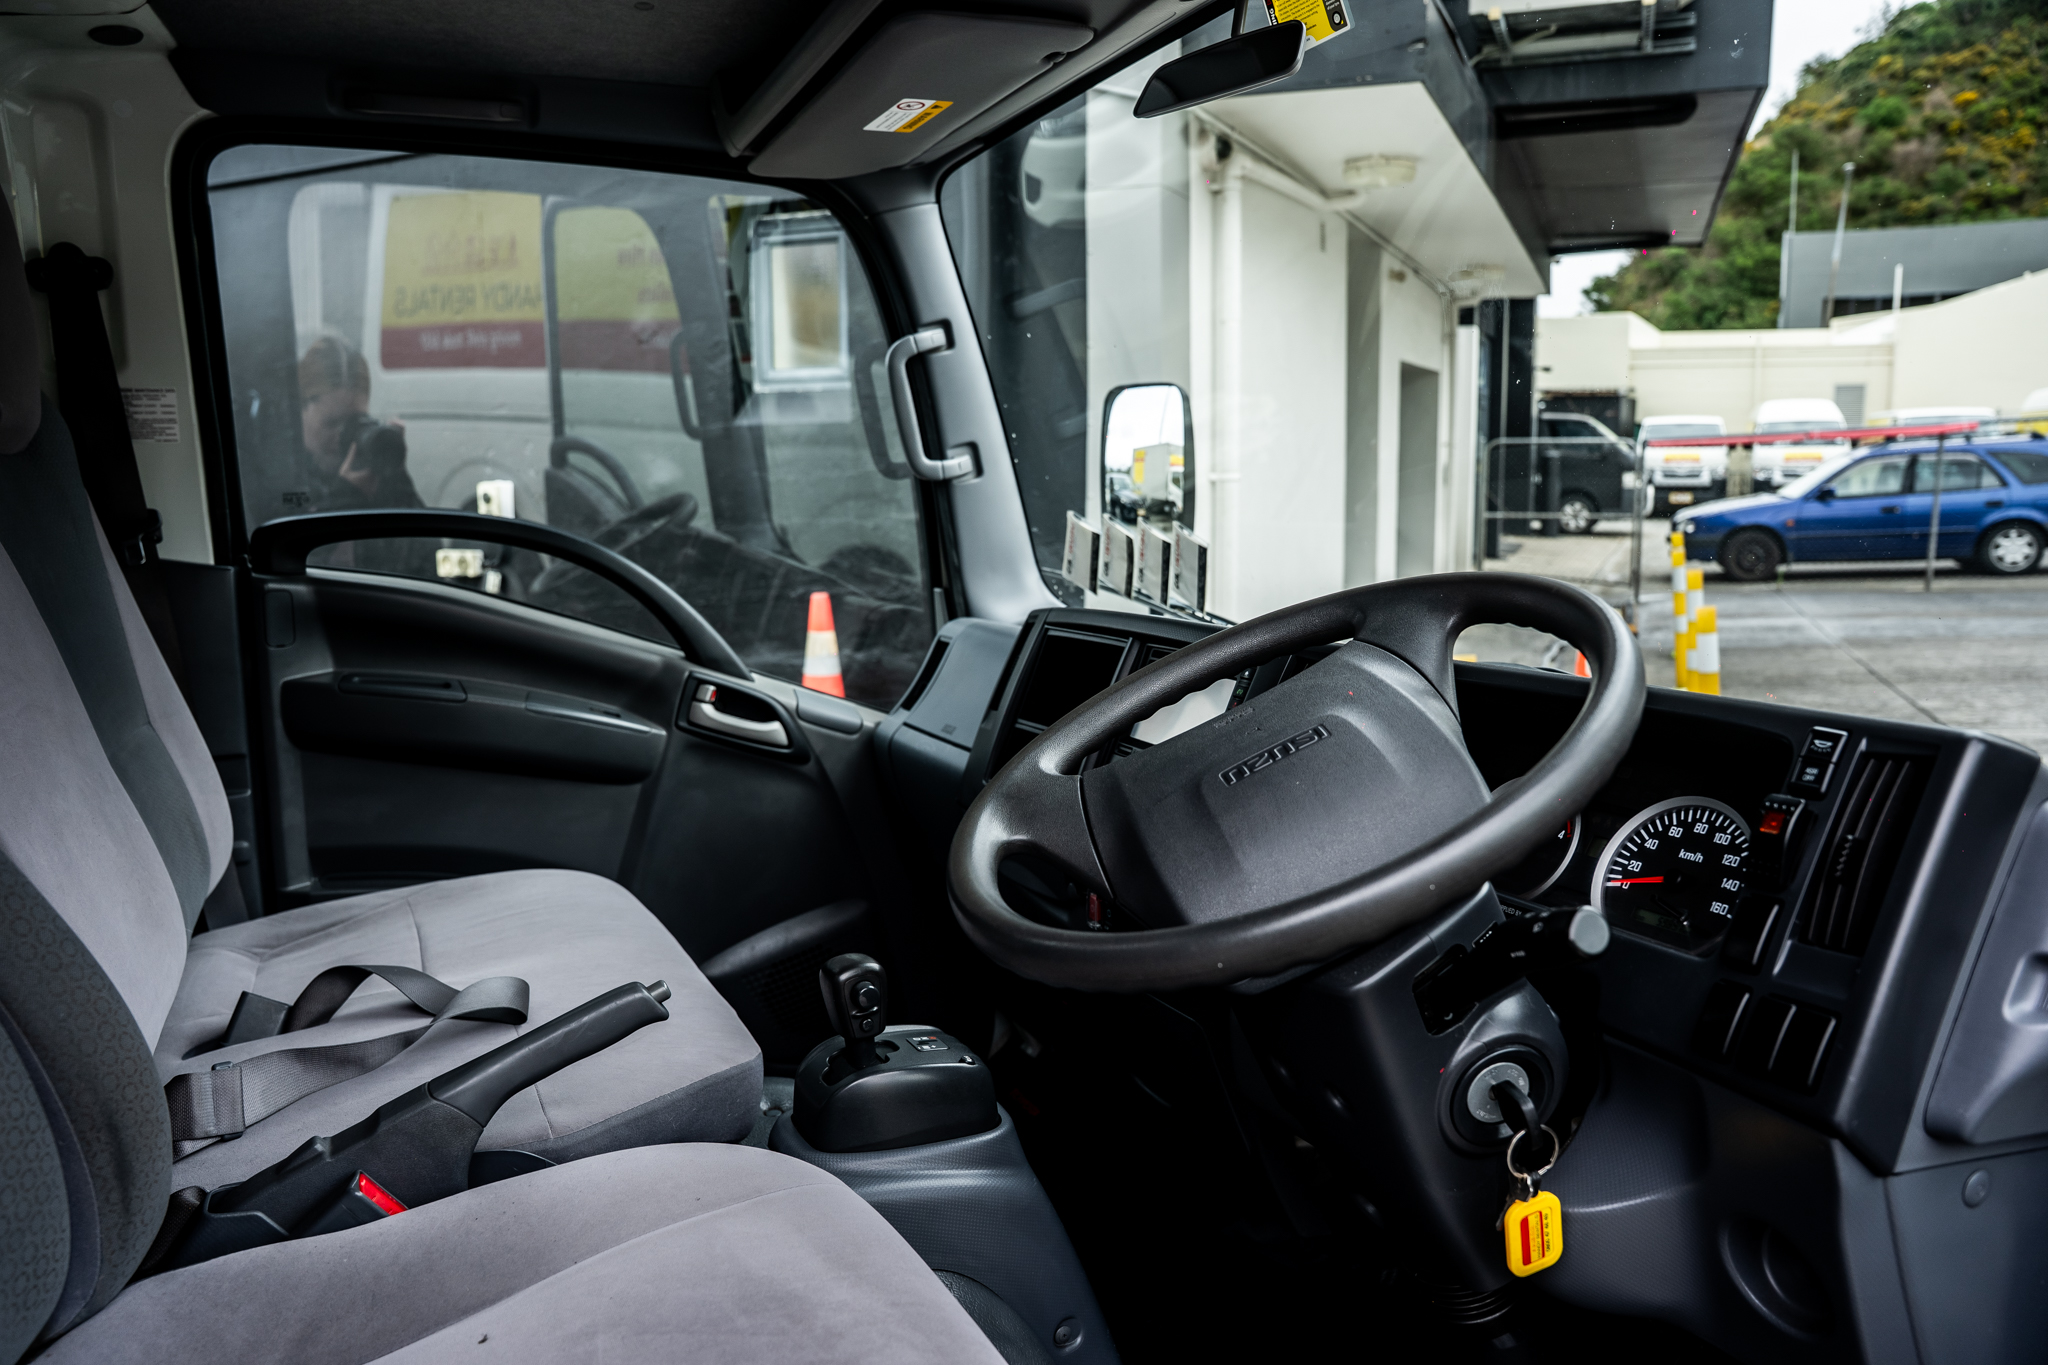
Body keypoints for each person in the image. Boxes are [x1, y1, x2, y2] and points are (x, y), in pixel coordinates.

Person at [291, 333, 422, 513]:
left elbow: (426, 539)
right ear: (300, 412)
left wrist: (397, 482)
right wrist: (345, 499)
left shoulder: (371, 471)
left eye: (355, 421)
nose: (342, 435)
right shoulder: (282, 477)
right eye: (331, 423)